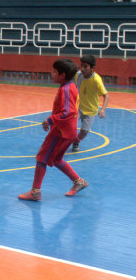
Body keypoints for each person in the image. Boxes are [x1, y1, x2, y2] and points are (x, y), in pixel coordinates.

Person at [18, 58, 88, 201]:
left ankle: (35, 192)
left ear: (62, 75)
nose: (51, 73)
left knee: (42, 158)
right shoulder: (70, 86)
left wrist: (49, 120)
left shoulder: (66, 90)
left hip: (60, 132)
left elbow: (67, 111)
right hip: (67, 131)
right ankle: (79, 182)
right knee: (56, 159)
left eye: (54, 71)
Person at [71, 55, 109, 152]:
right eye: (81, 66)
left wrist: (103, 109)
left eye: (85, 66)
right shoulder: (78, 75)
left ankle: (77, 140)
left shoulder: (96, 80)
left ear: (92, 68)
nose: (82, 69)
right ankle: (64, 141)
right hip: (77, 106)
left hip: (91, 110)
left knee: (84, 132)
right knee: (70, 125)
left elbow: (106, 95)